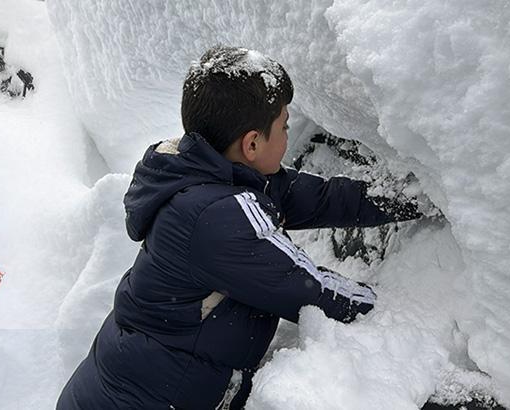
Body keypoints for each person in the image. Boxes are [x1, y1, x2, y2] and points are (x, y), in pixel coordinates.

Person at [56, 46, 422, 409]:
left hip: (131, 385)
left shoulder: (211, 172)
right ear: (251, 143)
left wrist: (412, 195)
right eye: (284, 126)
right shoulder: (217, 216)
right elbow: (308, 288)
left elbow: (318, 198)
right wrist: (399, 313)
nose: (286, 135)